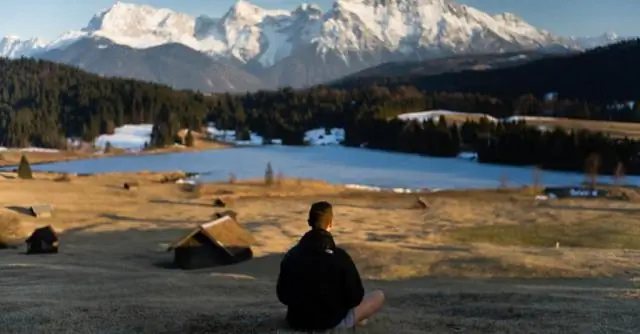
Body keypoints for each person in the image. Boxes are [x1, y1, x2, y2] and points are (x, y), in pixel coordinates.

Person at [276, 201, 385, 331]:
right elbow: (356, 297)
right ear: (330, 224)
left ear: (309, 222)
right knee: (378, 296)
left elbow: (282, 295)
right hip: (330, 323)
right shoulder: (340, 257)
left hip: (296, 322)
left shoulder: (292, 255)